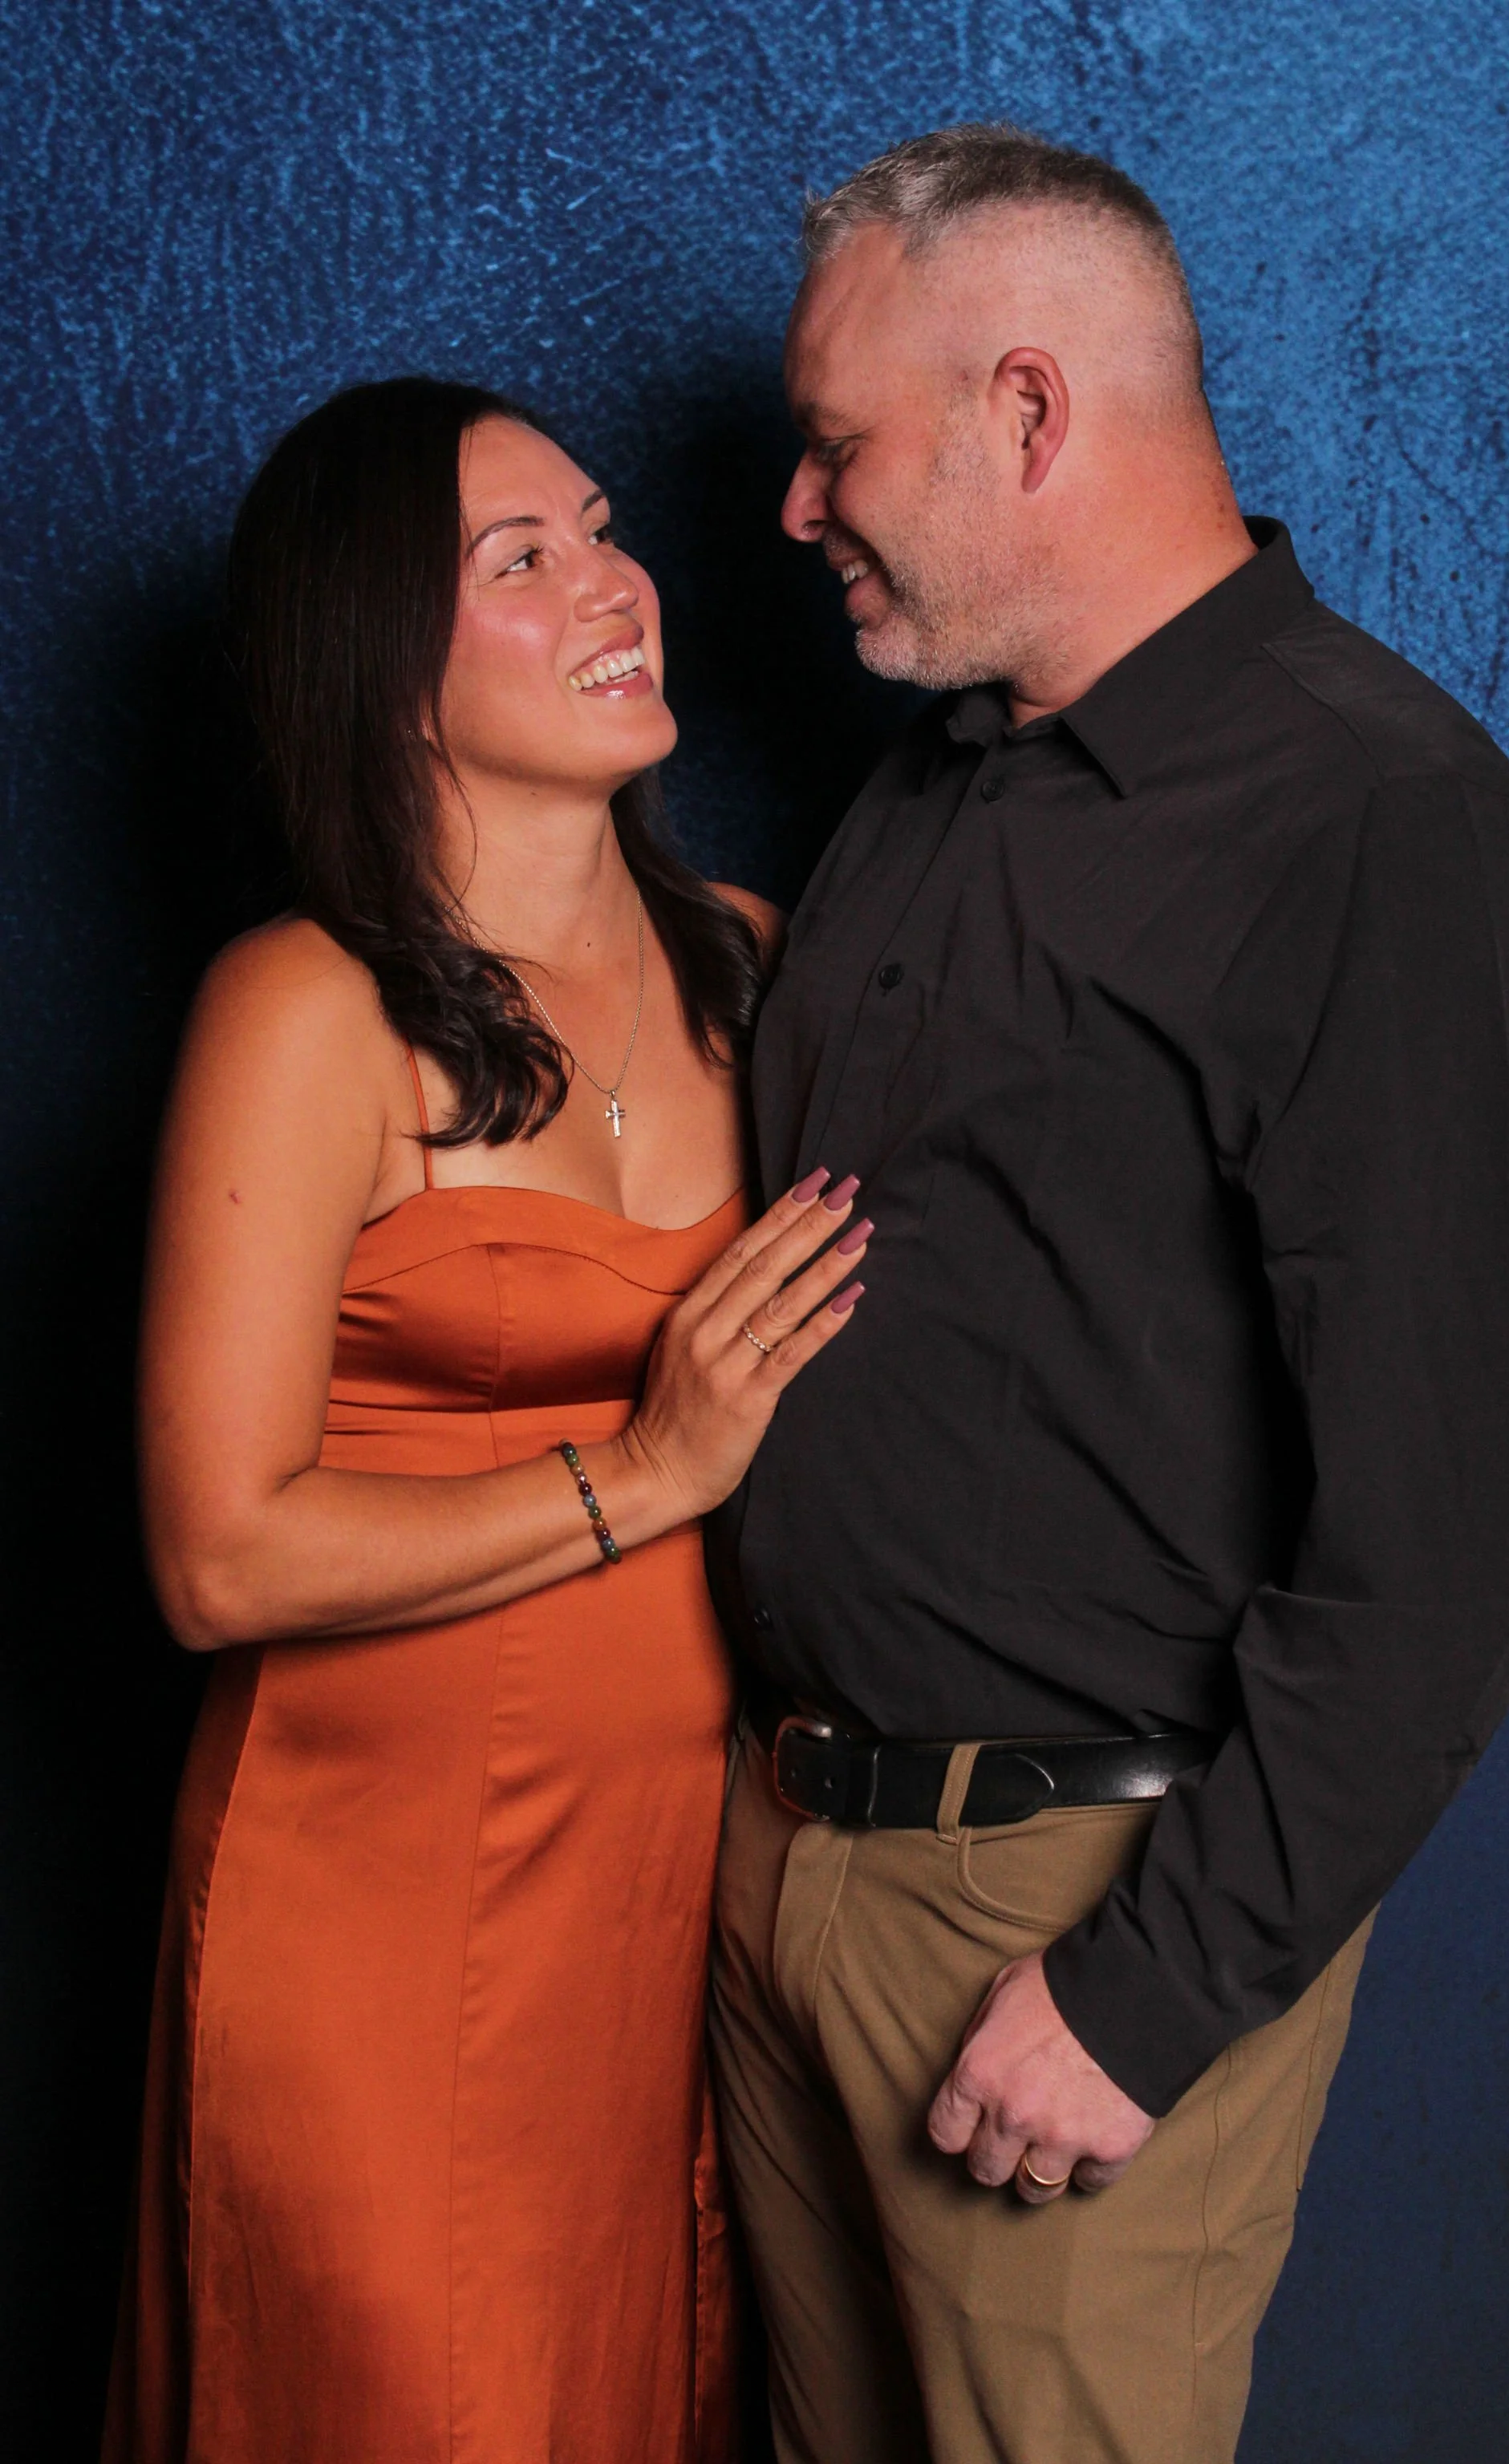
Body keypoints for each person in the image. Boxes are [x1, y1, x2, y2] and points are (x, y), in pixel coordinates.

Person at [708, 126, 1509, 2464]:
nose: (796, 511)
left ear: (1026, 410)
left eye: (834, 446)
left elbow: (1467, 1525)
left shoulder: (1388, 831)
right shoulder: (936, 783)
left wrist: (1145, 1993)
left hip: (1070, 1919)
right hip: (785, 1858)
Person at [103, 375, 870, 2464]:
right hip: (364, 1897)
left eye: (601, 529)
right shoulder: (307, 1008)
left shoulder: (759, 966)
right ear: (386, 669)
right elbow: (216, 1554)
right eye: (521, 561)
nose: (616, 581)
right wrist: (646, 1471)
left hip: (675, 1902)